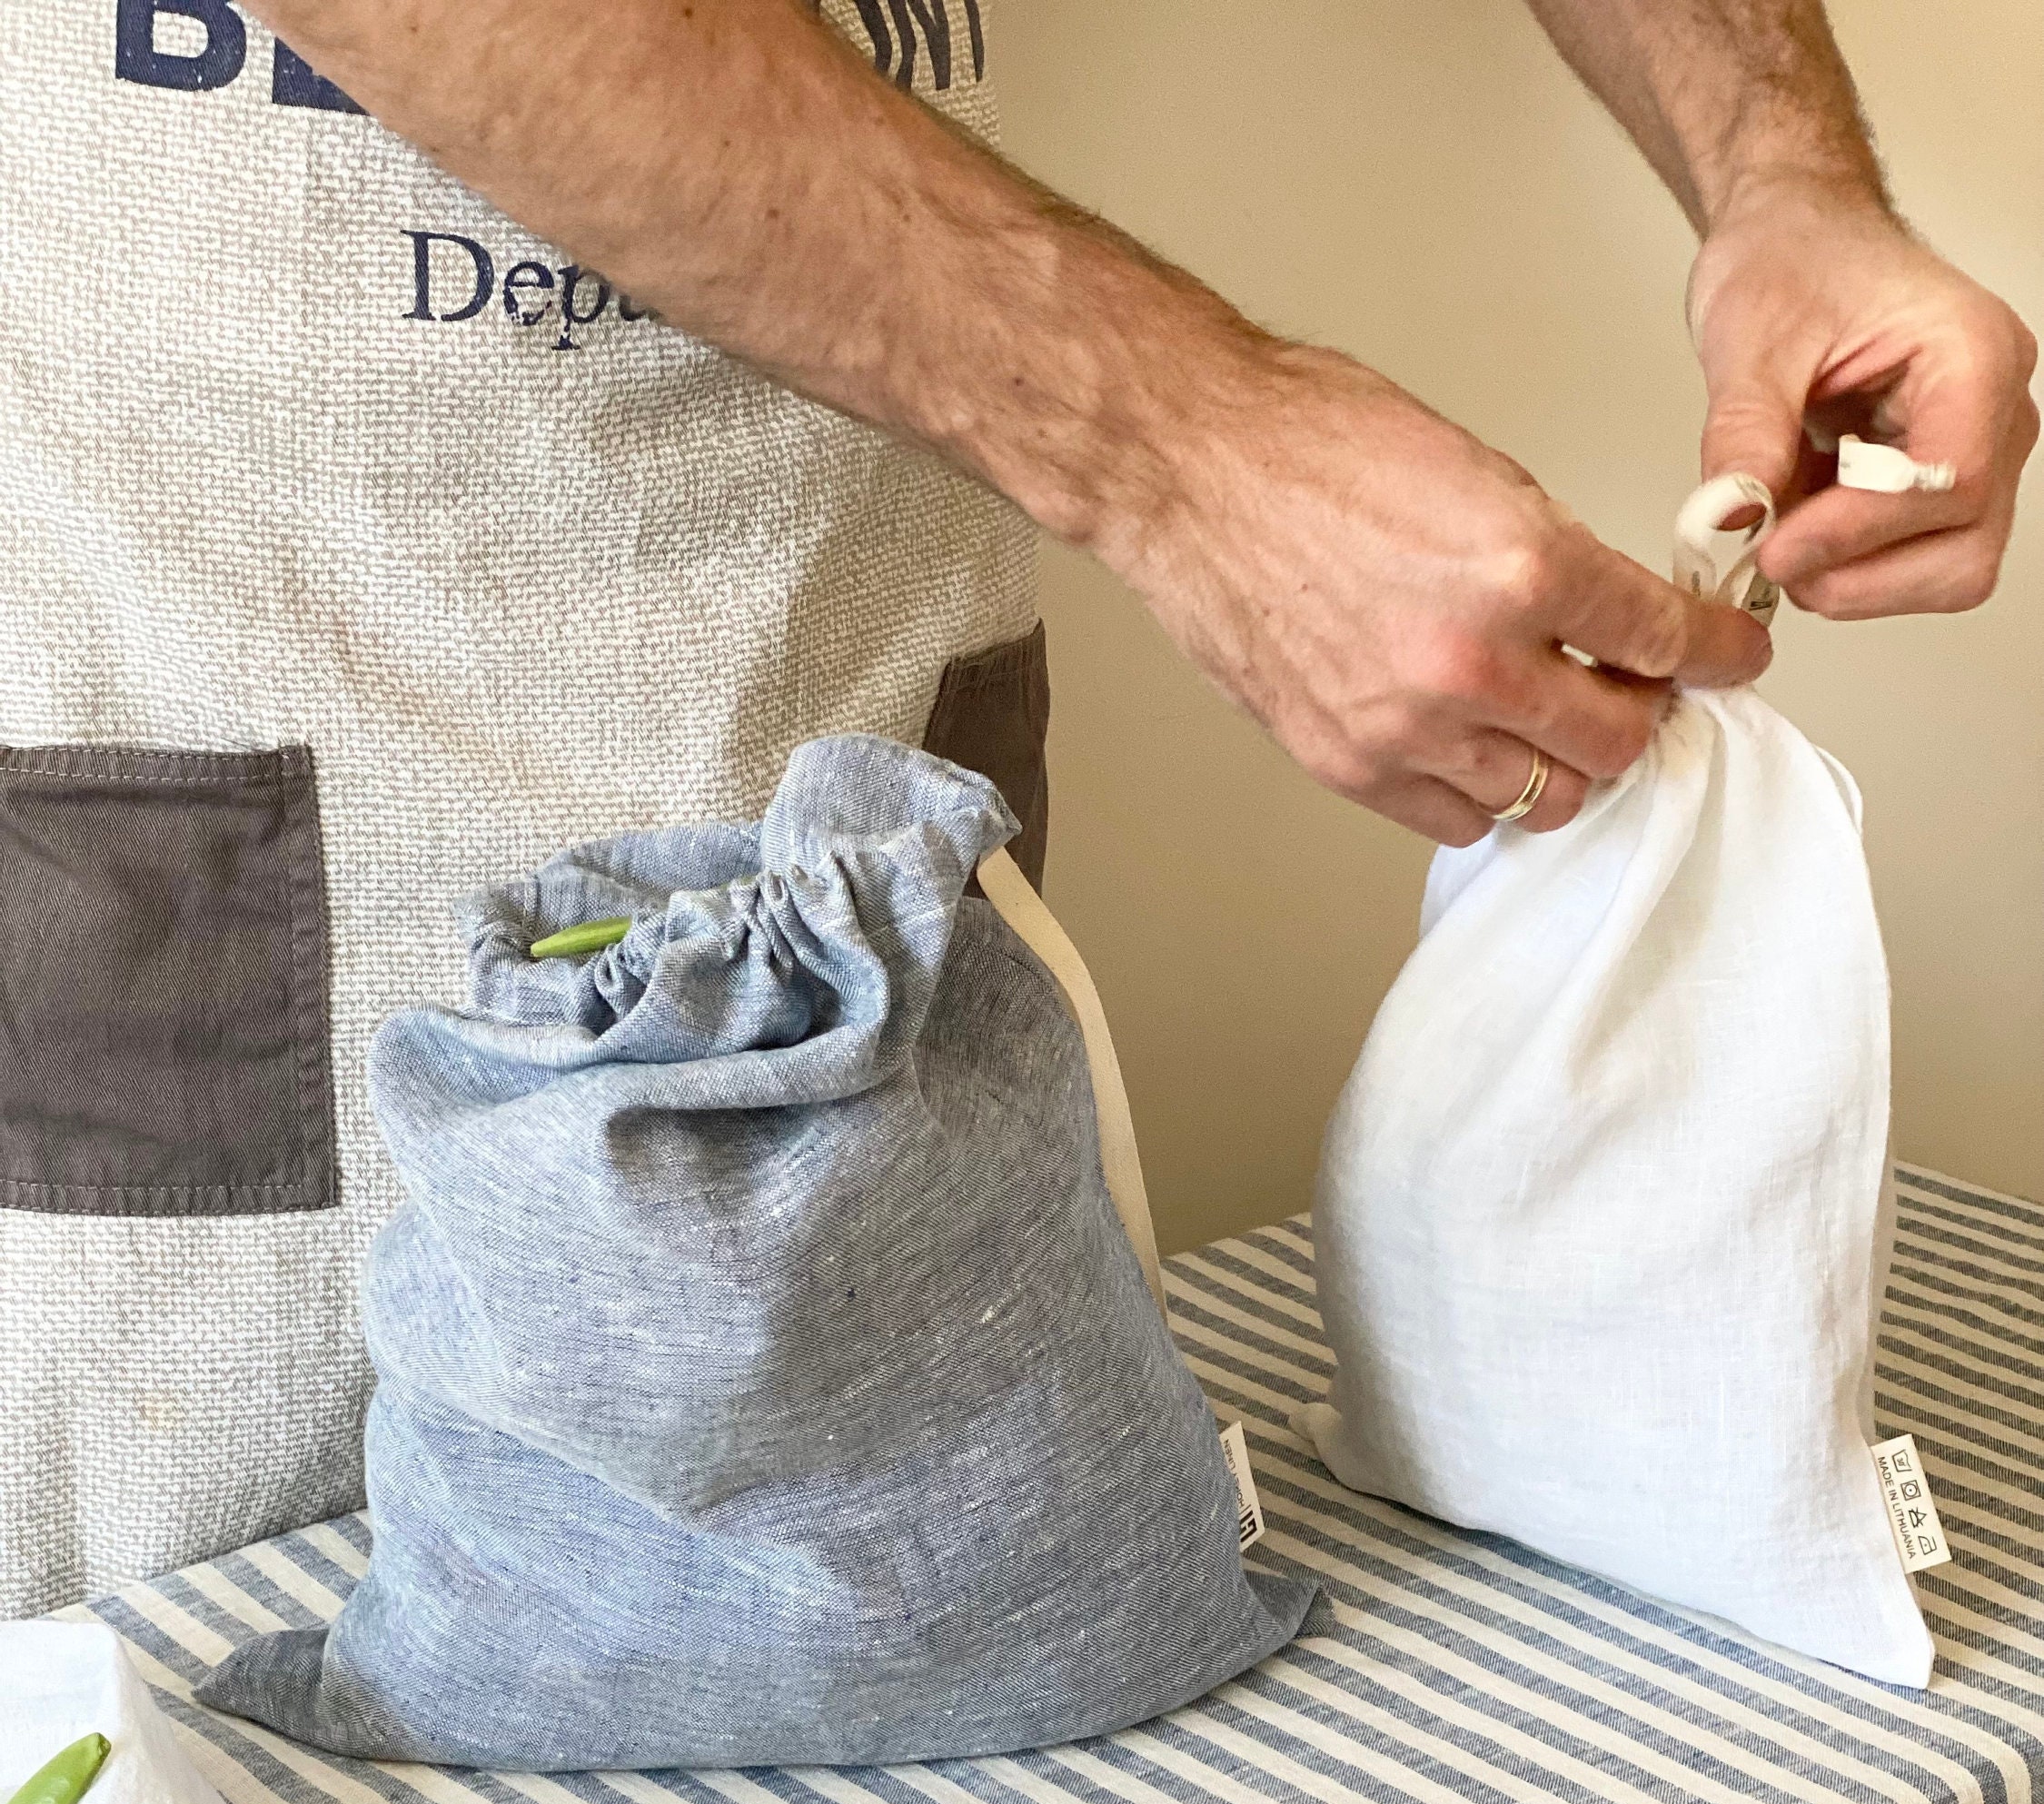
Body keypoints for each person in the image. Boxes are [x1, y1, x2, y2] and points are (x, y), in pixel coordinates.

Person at [0, 0, 2032, 1618]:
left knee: (925, 1717)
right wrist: (1181, 453)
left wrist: (1781, 173)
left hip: (850, 699)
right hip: (246, 793)